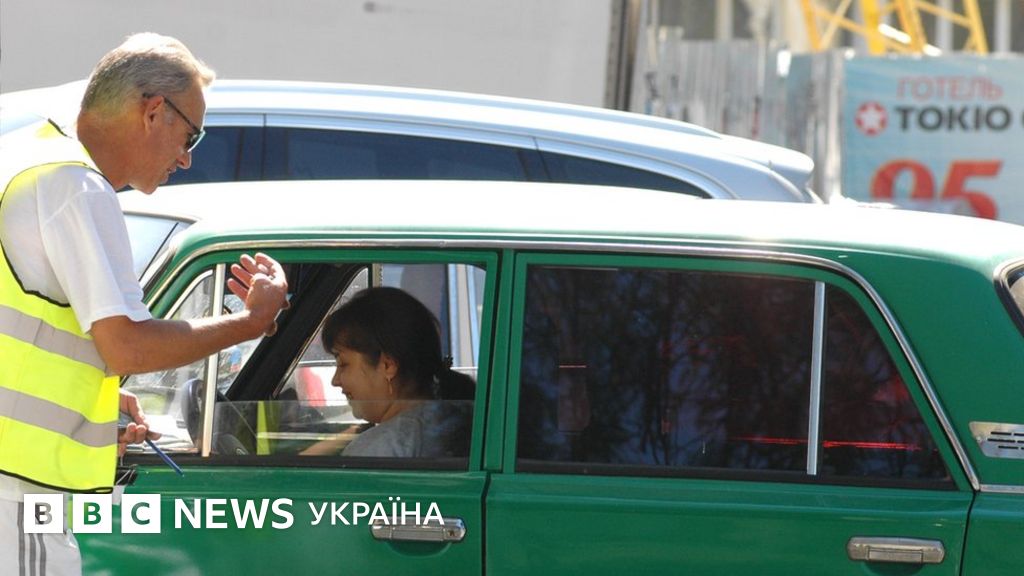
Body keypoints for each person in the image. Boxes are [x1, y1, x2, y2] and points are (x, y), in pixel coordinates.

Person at [0, 33, 288, 575]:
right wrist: (252, 321)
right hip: (16, 494)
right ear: (154, 111)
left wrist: (94, 401)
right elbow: (128, 347)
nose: (186, 158)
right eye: (191, 135)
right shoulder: (76, 186)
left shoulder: (28, 157)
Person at [304, 287, 474, 458]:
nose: (335, 381)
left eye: (343, 364)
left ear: (388, 366)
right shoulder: (459, 423)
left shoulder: (377, 450)